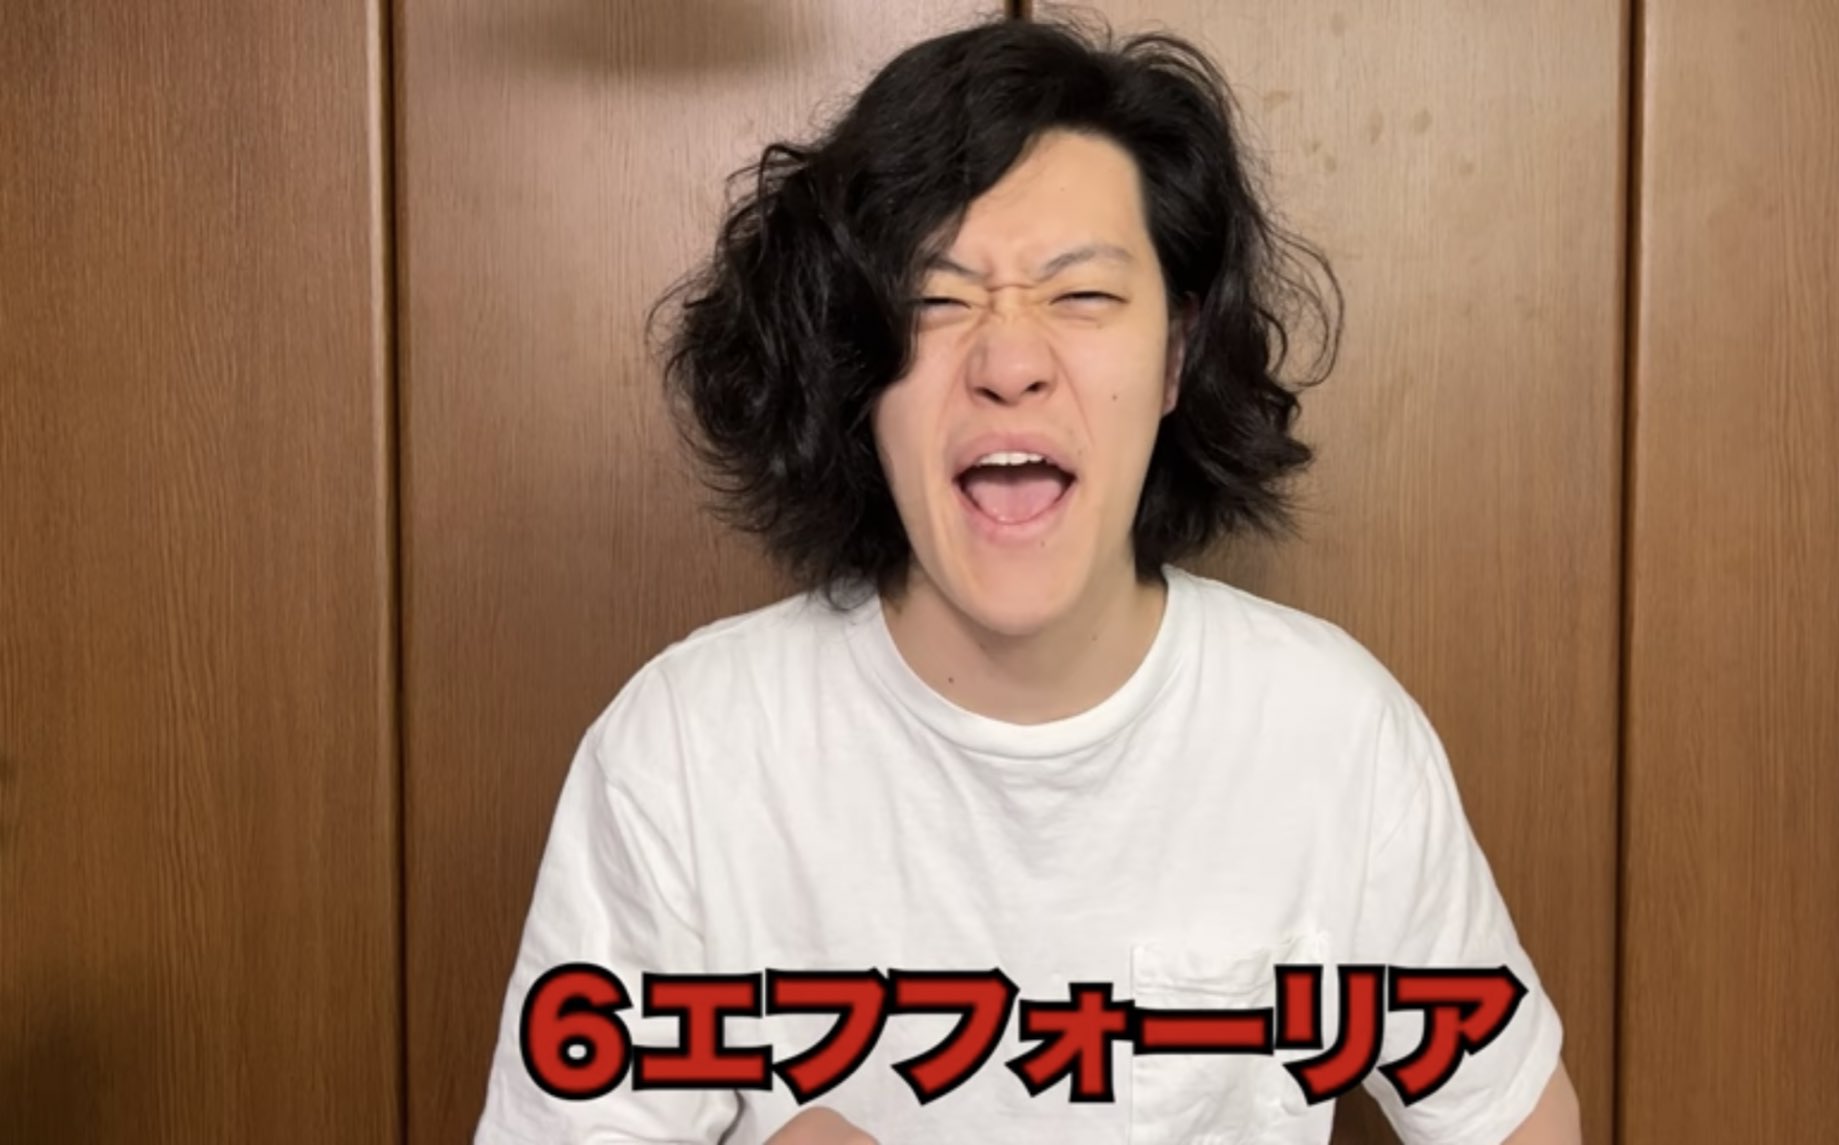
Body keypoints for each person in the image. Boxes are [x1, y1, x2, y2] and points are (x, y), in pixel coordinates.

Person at [476, 13, 1582, 1145]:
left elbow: (1516, 1119)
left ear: (1174, 354)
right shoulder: (686, 753)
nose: (1009, 362)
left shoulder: (1332, 734)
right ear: (858, 367)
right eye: (935, 298)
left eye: (1082, 295)